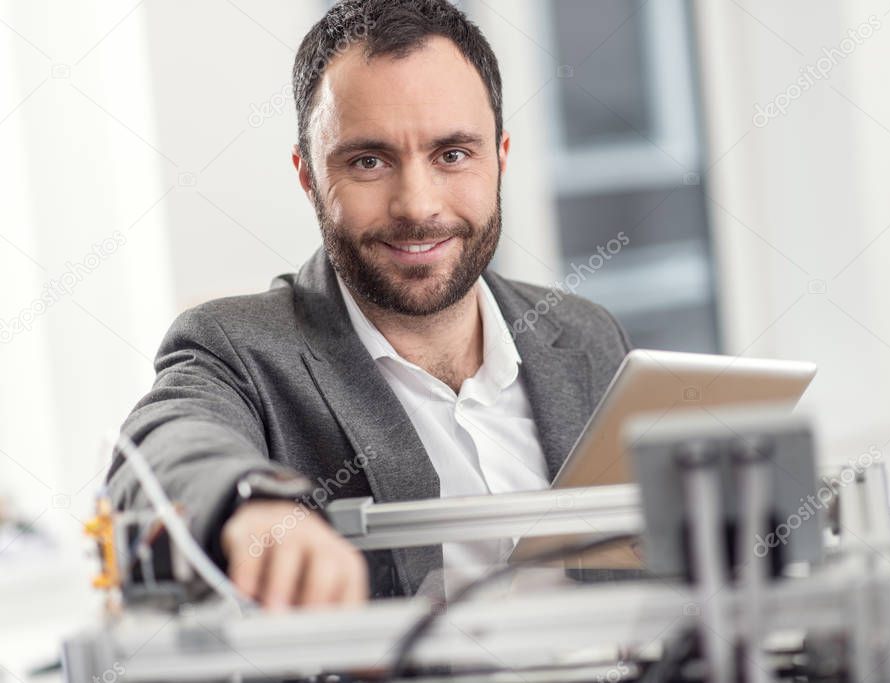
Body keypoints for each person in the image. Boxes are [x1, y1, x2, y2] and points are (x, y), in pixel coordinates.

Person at [106, 0, 631, 608]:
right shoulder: (236, 349)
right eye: (369, 161)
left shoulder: (586, 336)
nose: (417, 205)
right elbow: (160, 449)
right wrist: (248, 504)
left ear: (500, 158)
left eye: (452, 154)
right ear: (308, 178)